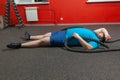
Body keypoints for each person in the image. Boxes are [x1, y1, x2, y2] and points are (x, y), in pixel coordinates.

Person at [6, 27, 111, 50]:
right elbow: (103, 28)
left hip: (65, 38)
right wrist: (106, 34)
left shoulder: (95, 42)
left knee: (43, 41)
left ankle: (19, 45)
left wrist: (78, 37)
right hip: (64, 32)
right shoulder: (95, 33)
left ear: (101, 40)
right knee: (46, 34)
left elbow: (88, 48)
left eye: (102, 35)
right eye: (102, 33)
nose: (101, 33)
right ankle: (30, 37)